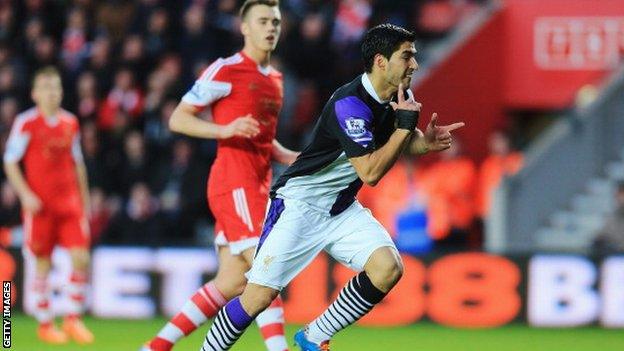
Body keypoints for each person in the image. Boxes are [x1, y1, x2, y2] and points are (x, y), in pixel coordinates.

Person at [197, 23, 464, 351]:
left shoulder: (400, 96)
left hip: (340, 208)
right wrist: (404, 129)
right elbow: (370, 171)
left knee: (387, 267)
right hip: (300, 205)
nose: (414, 64)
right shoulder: (348, 104)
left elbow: (397, 144)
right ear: (381, 61)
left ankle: (314, 335)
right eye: (407, 56)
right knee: (257, 297)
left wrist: (423, 143)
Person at [142, 1, 298, 351]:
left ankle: (155, 347)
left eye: (275, 21)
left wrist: (286, 154)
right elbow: (178, 119)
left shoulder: (275, 78)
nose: (271, 27)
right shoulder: (226, 69)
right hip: (234, 182)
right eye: (262, 21)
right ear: (245, 28)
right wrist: (225, 129)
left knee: (230, 283)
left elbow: (260, 136)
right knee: (267, 268)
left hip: (259, 184)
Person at [3, 66, 94, 345]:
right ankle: (45, 324)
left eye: (55, 87)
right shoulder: (26, 122)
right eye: (45, 87)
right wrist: (25, 194)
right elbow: (10, 161)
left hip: (69, 205)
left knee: (81, 258)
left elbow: (78, 163)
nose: (52, 92)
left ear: (61, 92)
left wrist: (85, 201)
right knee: (42, 264)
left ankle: (72, 319)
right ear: (34, 93)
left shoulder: (71, 122)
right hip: (40, 207)